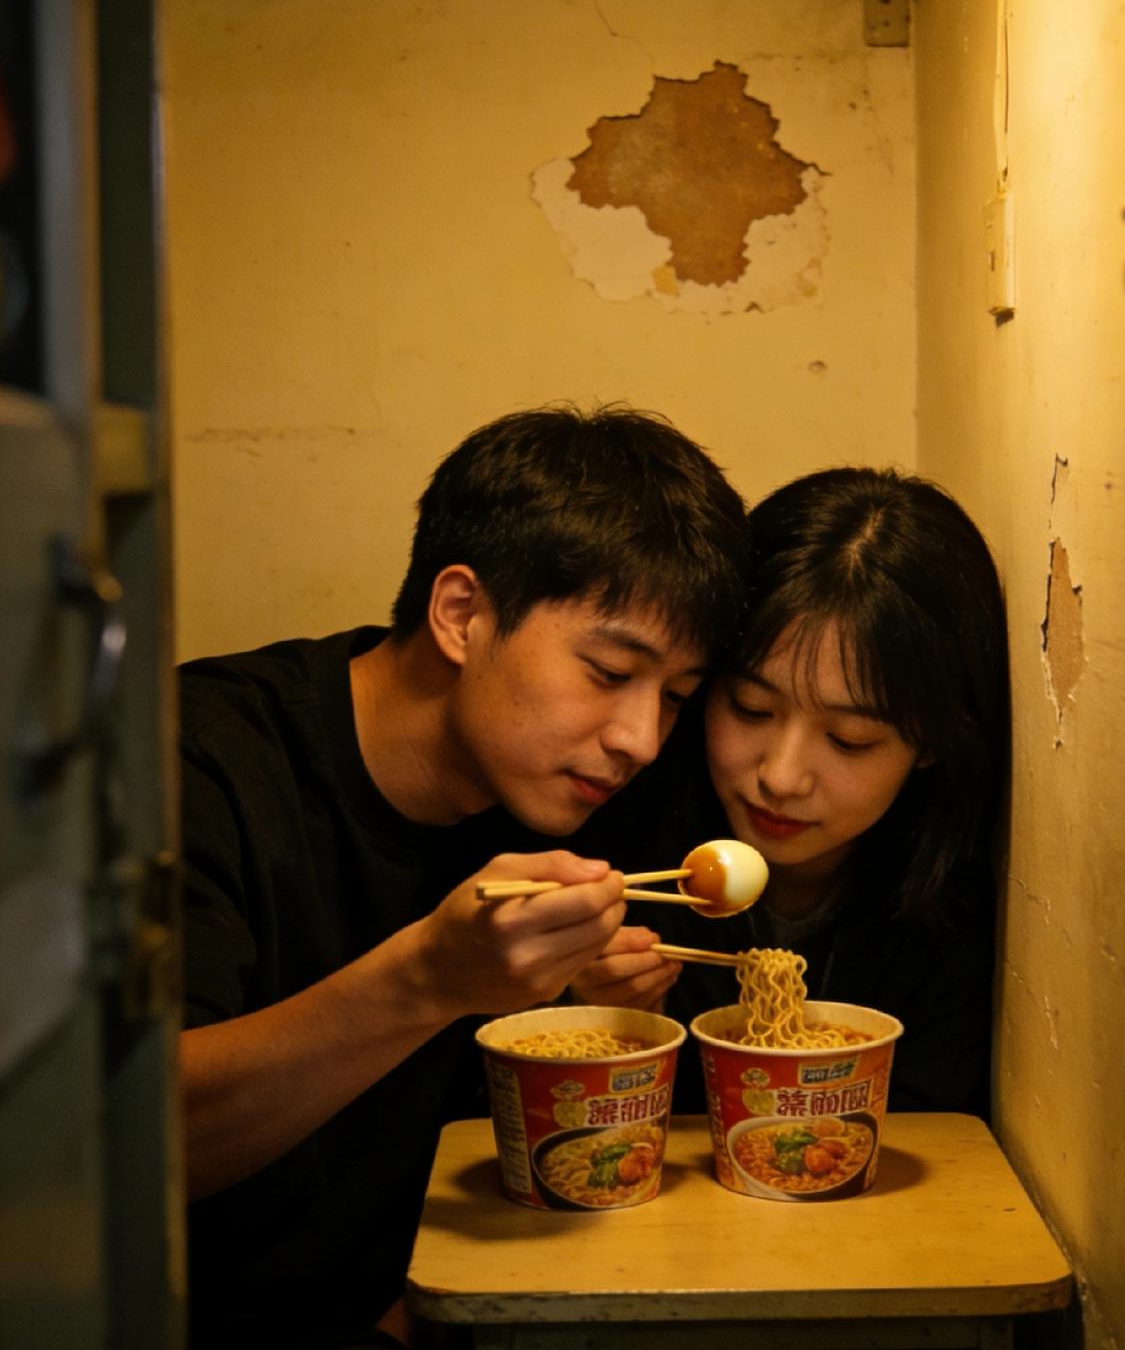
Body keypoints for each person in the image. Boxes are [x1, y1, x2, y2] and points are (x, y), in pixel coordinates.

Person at [178, 403, 750, 1350]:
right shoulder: (198, 766)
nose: (640, 739)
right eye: (610, 672)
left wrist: (584, 1016)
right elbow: (119, 1145)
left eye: (676, 697)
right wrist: (429, 981)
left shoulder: (588, 799)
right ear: (460, 615)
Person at [574, 466, 1011, 1118]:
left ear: (931, 741)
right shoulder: (613, 844)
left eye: (849, 739)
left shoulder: (949, 907)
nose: (780, 777)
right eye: (750, 708)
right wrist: (597, 1020)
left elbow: (932, 1133)